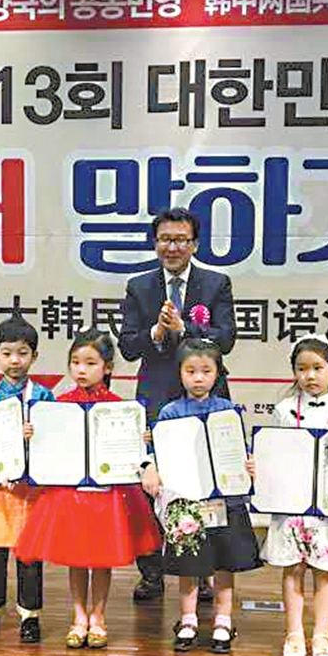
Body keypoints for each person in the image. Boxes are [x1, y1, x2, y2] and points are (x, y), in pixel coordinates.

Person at [118, 207, 236, 602]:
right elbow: (127, 346)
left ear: (195, 244)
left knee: (204, 482)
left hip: (206, 398)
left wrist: (186, 330)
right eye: (165, 239)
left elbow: (227, 338)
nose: (173, 247)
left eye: (181, 240)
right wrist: (156, 331)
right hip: (155, 396)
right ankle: (151, 571)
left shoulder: (216, 283)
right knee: (150, 484)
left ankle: (201, 571)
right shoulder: (139, 287)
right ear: (155, 243)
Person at [15, 329, 160, 648]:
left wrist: (141, 441)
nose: (81, 369)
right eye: (75, 362)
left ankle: (99, 615)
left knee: (102, 557)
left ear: (107, 367)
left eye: (90, 363)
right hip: (70, 493)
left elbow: (131, 453)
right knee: (76, 557)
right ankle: (79, 616)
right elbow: (49, 448)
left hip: (107, 495)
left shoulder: (119, 407)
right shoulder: (58, 405)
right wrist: (33, 435)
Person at [140, 339, 260, 654]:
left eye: (206, 371)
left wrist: (248, 463)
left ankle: (223, 619)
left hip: (223, 500)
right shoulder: (169, 412)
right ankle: (188, 618)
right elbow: (158, 453)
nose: (198, 377)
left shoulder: (228, 410)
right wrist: (150, 465)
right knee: (189, 563)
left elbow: (238, 451)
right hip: (187, 503)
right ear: (179, 373)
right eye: (191, 370)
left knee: (223, 562)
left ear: (217, 373)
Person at [260, 334, 328, 656]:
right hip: (292, 505)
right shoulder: (284, 409)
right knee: (292, 569)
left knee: (325, 571)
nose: (310, 376)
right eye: (302, 369)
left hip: (327, 508)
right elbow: (273, 454)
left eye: (318, 367)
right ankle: (294, 633)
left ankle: (322, 635)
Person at [0, 315, 54, 643]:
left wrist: (37, 434)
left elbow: (57, 441)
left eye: (22, 353)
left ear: (34, 356)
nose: (14, 360)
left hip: (29, 489)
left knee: (29, 556)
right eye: (7, 353)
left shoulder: (44, 398)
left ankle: (30, 617)